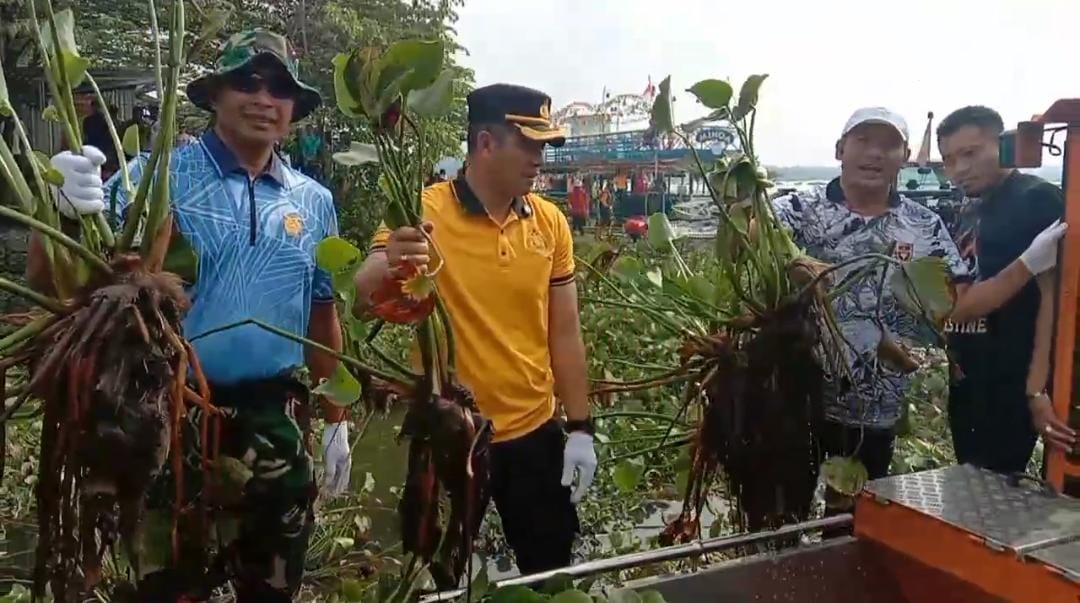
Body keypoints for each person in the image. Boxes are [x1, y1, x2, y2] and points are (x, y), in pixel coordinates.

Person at [34, 30, 348, 602]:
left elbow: (321, 316)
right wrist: (64, 211)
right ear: (215, 95)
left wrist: (336, 417)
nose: (263, 98)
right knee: (169, 586)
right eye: (247, 82)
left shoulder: (313, 201)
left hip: (272, 414)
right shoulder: (155, 178)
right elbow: (67, 283)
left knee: (273, 584)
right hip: (167, 411)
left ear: (294, 108)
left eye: (278, 87)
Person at [353, 84, 596, 575]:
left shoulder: (549, 223)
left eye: (543, 146)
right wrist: (391, 263)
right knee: (439, 572)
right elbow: (362, 295)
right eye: (528, 144)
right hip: (451, 431)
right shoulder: (423, 212)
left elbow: (565, 334)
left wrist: (581, 428)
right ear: (486, 143)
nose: (539, 159)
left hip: (533, 431)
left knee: (550, 572)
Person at [771, 107, 972, 482]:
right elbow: (747, 235)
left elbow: (954, 295)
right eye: (863, 141)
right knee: (786, 506)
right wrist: (791, 260)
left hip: (877, 402)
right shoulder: (798, 207)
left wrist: (912, 346)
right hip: (797, 392)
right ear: (839, 150)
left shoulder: (924, 224)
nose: (875, 153)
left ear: (905, 157)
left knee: (854, 512)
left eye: (889, 145)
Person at [937, 105, 1075, 473]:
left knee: (997, 483)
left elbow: (1053, 299)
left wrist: (1036, 389)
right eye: (949, 159)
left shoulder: (1036, 199)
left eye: (970, 153)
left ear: (1002, 145)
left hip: (1011, 379)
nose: (959, 169)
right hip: (969, 377)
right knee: (970, 478)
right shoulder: (970, 206)